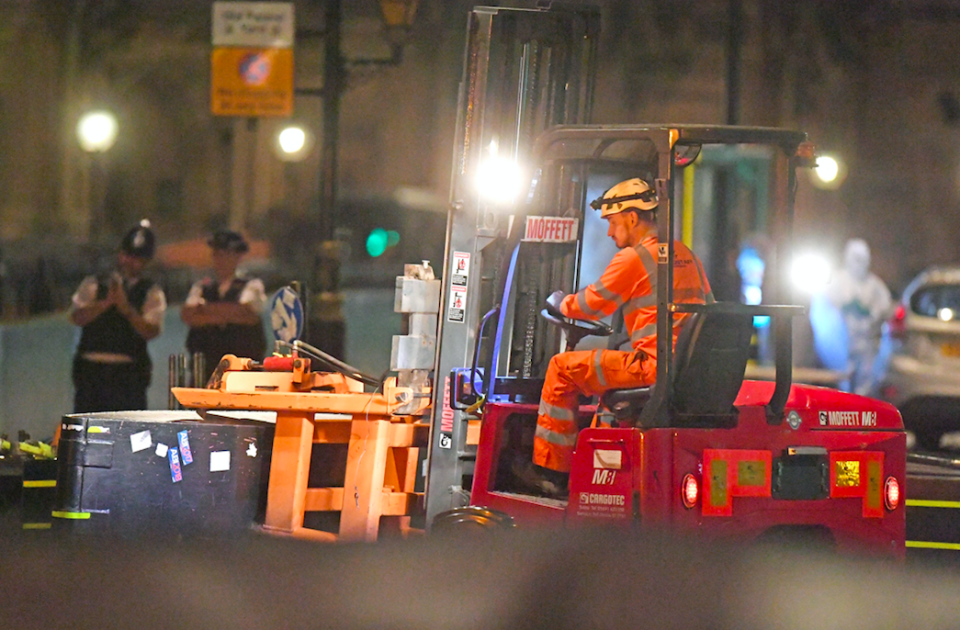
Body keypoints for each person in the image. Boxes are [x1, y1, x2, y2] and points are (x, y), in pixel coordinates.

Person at [529, 178, 713, 494]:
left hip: (652, 367)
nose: (610, 232)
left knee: (562, 369)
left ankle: (551, 473)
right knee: (604, 368)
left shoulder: (635, 257)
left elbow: (591, 304)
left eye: (613, 223)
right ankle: (598, 469)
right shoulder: (685, 254)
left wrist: (560, 302)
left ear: (631, 217)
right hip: (687, 370)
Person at [70, 220, 167, 413]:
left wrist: (127, 311)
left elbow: (151, 330)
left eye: (137, 258)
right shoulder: (94, 284)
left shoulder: (151, 292)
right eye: (127, 255)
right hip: (91, 372)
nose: (129, 262)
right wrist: (105, 304)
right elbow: (77, 316)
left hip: (127, 376)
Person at [181, 230, 267, 384]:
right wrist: (228, 316)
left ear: (238, 256)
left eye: (225, 255)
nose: (220, 260)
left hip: (242, 375)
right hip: (206, 369)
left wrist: (204, 309)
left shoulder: (251, 285)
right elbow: (188, 314)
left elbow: (246, 313)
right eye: (217, 255)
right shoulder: (202, 286)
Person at [818, 238, 892, 397]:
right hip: (841, 343)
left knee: (865, 381)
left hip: (867, 344)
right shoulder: (837, 281)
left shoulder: (874, 285)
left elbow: (885, 307)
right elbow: (825, 307)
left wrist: (869, 313)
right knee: (842, 378)